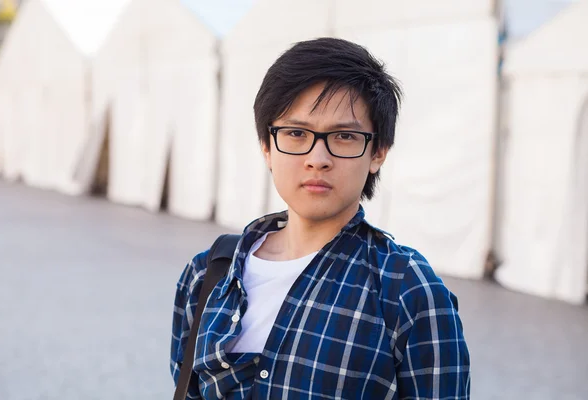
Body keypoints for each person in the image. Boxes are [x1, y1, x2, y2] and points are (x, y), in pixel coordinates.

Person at [171, 37, 470, 399]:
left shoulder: (406, 290)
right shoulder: (208, 275)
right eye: (296, 133)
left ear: (377, 153)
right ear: (267, 147)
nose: (318, 158)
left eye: (344, 136)